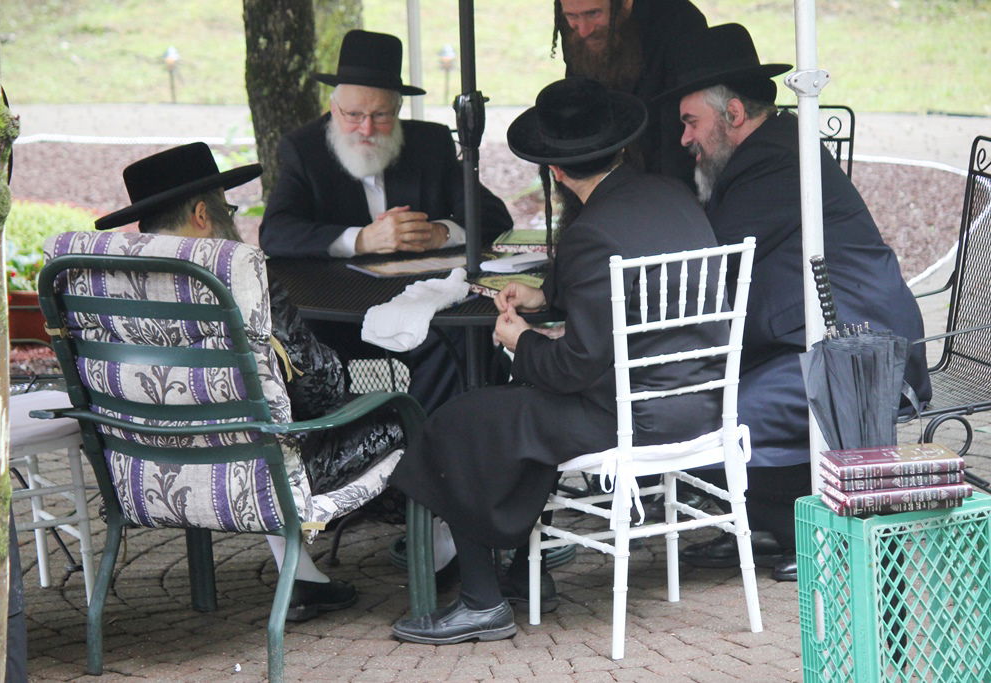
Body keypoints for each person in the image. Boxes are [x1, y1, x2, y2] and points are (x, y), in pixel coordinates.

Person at [389, 77, 727, 645]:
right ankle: (525, 570)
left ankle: (481, 602)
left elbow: (574, 367)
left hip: (632, 417)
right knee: (512, 413)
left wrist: (521, 340)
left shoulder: (591, 232)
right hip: (698, 403)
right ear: (620, 150)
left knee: (461, 421)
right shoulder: (671, 195)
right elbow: (628, 295)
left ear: (557, 171)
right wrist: (547, 299)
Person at [654, 23, 932, 581]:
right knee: (697, 411)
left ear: (732, 114)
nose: (684, 138)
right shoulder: (768, 149)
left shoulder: (774, 161)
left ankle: (807, 534)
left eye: (691, 122)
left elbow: (712, 259)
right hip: (812, 341)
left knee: (708, 428)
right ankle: (758, 523)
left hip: (857, 355)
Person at [94, 142, 405, 621]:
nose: (232, 219)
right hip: (262, 473)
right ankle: (442, 562)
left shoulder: (104, 283)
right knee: (397, 417)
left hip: (148, 466)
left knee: (247, 418)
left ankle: (301, 577)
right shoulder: (237, 277)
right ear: (202, 213)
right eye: (228, 207)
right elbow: (320, 391)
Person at [259, 30, 514, 414]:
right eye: (353, 115)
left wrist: (440, 233)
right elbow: (276, 232)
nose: (366, 128)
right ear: (333, 108)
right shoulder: (305, 148)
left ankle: (429, 446)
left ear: (396, 111)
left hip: (420, 308)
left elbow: (494, 217)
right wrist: (361, 239)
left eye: (380, 116)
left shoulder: (429, 144)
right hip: (337, 314)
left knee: (465, 342)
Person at [553, 0, 706, 185]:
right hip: (604, 164)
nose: (584, 30)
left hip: (666, 165)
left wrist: (669, 196)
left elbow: (679, 128)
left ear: (625, 3)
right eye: (571, 16)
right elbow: (579, 91)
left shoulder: (679, 22)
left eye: (594, 13)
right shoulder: (578, 25)